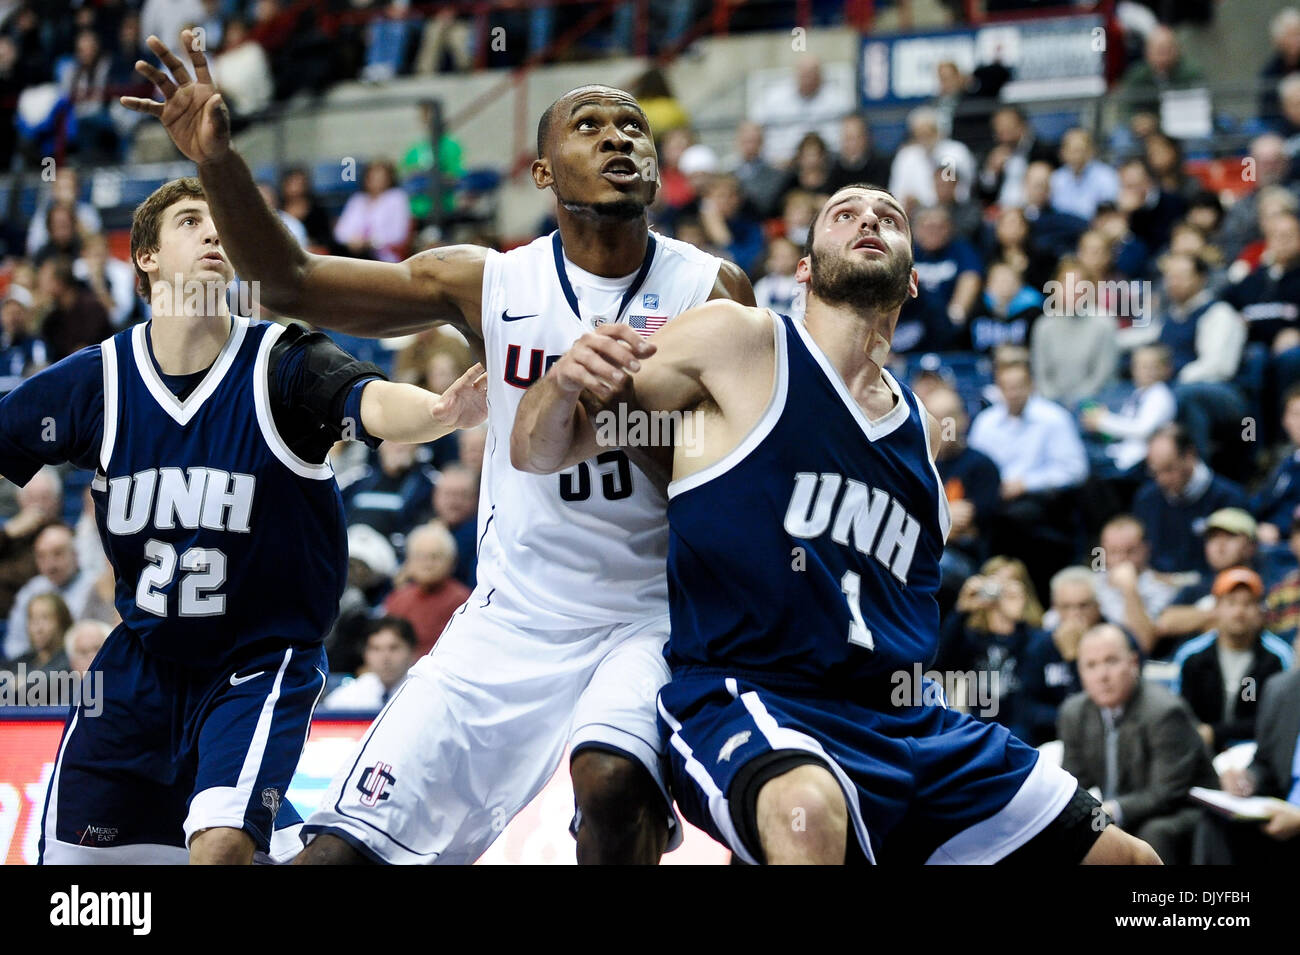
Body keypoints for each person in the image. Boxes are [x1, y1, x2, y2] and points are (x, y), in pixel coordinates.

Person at [124, 36, 753, 865]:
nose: (617, 138)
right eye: (589, 124)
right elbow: (291, 284)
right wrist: (218, 163)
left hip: (650, 615)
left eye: (633, 126)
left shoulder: (713, 291)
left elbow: (737, 481)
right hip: (512, 619)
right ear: (541, 173)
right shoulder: (487, 280)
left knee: (610, 786)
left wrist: (623, 414)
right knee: (337, 857)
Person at [513, 183, 1158, 864]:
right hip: (758, 694)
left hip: (907, 719)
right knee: (806, 814)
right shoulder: (743, 341)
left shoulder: (921, 436)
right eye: (843, 214)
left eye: (889, 217)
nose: (869, 219)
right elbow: (539, 449)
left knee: (1131, 862)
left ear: (912, 280)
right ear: (805, 269)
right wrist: (558, 385)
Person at [0, 175, 488, 865]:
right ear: (145, 255)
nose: (212, 233)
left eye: (219, 223)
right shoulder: (97, 381)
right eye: (190, 221)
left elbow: (372, 401)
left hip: (256, 661)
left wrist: (438, 413)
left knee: (222, 848)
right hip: (140, 665)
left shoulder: (281, 362)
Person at [1059, 624, 1218, 865]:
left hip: (1187, 810)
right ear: (1080, 673)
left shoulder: (1164, 711)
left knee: (1153, 832)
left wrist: (1108, 811)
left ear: (1133, 663)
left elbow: (1165, 793)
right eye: (1091, 666)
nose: (1102, 675)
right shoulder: (1074, 713)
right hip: (1123, 808)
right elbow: (1073, 783)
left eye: (1111, 661)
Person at [1171, 568, 1294, 754]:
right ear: (1216, 608)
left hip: (1256, 753)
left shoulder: (1276, 657)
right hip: (1200, 751)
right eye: (1231, 603)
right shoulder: (1192, 656)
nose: (1239, 612)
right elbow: (1181, 713)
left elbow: (1275, 720)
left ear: (1260, 610)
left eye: (1248, 604)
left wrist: (1216, 732)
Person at [1195, 667, 1300, 863]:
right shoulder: (1282, 688)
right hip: (1280, 813)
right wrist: (1249, 779)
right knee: (1213, 824)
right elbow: (1264, 763)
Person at [382, 521, 470, 657]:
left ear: (452, 561)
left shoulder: (463, 600)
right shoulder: (398, 598)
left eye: (435, 557)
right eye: (420, 556)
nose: (427, 564)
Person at [320, 617, 417, 712]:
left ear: (412, 651)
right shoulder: (351, 693)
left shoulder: (425, 692)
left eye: (393, 648)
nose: (385, 658)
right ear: (365, 654)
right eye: (376, 649)